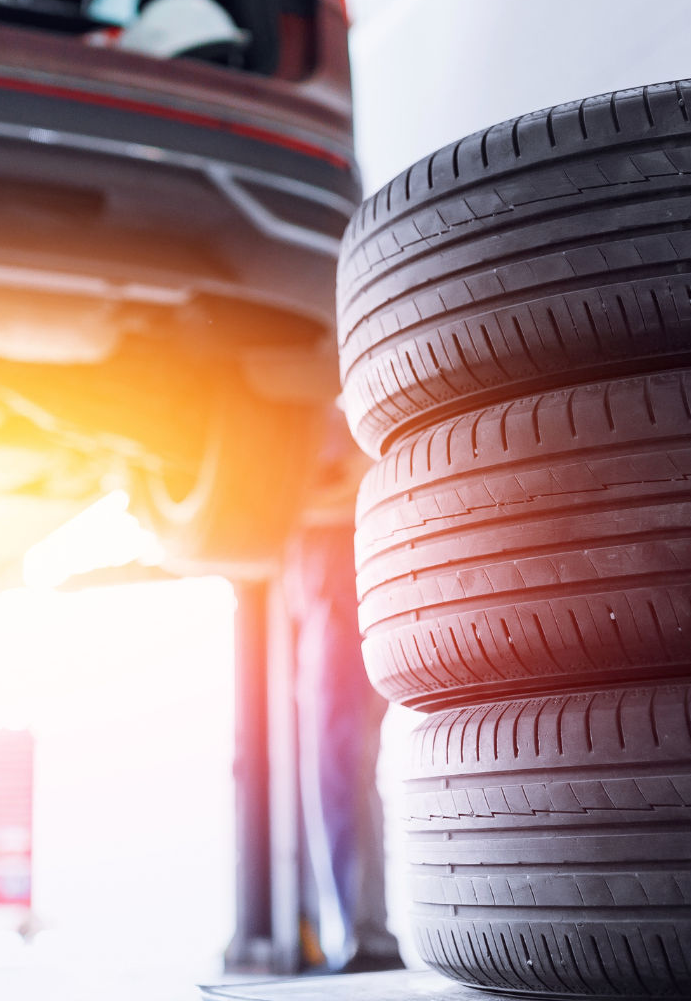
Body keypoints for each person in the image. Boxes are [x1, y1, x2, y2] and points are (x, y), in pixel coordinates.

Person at [286, 413, 403, 974]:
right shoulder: (326, 421)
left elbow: (358, 477)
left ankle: (364, 934)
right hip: (332, 591)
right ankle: (361, 931)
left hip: (341, 586)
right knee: (342, 770)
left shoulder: (332, 422)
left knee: (340, 770)